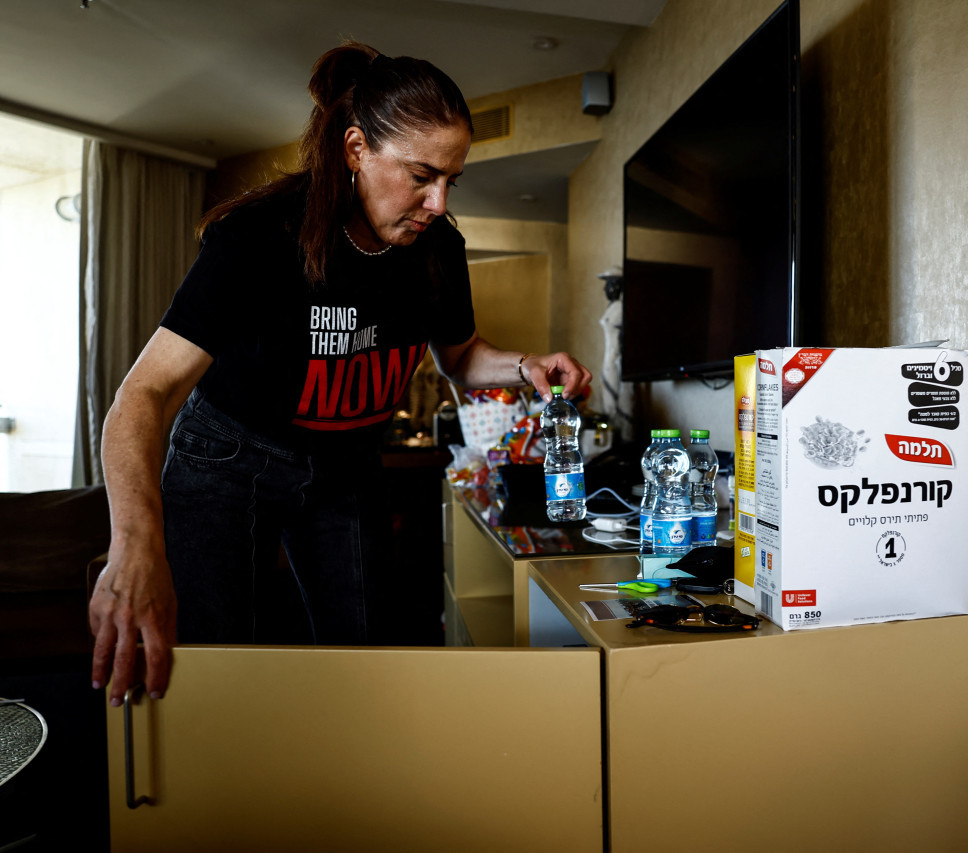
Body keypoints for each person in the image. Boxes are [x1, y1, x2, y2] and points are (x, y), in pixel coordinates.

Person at [88, 42, 591, 707]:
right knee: (208, 664)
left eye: (450, 180)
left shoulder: (436, 248)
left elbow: (462, 356)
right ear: (357, 149)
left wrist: (524, 364)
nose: (438, 202)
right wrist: (134, 544)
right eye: (421, 175)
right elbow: (142, 396)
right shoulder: (260, 238)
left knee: (369, 648)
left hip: (346, 465)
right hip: (230, 457)